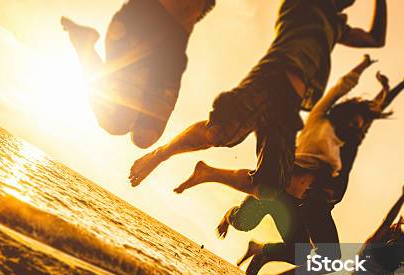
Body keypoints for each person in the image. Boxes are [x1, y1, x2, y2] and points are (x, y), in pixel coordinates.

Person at [129, 0, 389, 194]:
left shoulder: (336, 26)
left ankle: (207, 172)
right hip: (272, 78)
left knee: (270, 187)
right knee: (218, 134)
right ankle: (160, 155)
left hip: (290, 104)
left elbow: (376, 39)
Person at [218, 62, 404, 275]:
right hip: (298, 193)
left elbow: (374, 110)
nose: (359, 128)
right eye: (355, 124)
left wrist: (400, 86)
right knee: (243, 222)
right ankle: (239, 227)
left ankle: (267, 267)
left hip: (313, 204)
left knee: (310, 258)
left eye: (361, 125)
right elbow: (362, 107)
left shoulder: (351, 139)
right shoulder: (329, 131)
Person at [62, 0, 216, 148]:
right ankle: (83, 44)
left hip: (170, 51)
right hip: (141, 25)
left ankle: (83, 43)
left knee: (143, 137)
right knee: (115, 121)